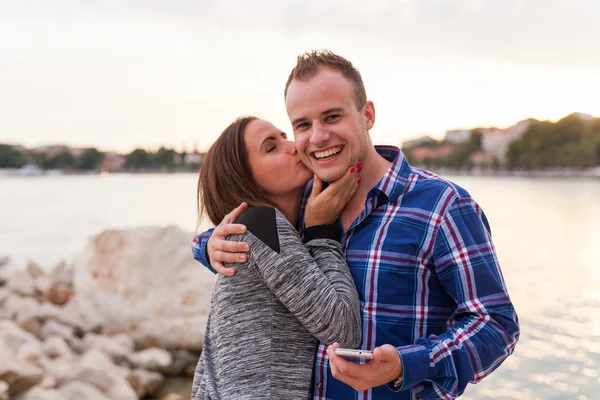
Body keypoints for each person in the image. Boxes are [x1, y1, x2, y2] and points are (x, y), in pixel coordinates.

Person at [195, 51, 520, 399]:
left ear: (367, 115)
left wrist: (407, 364)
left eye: (332, 117)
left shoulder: (442, 206)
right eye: (302, 125)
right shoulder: (296, 204)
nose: (317, 137)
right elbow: (253, 246)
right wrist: (209, 243)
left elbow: (496, 324)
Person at [191, 115, 364, 399]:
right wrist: (321, 231)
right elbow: (343, 331)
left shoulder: (255, 229)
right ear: (244, 179)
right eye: (271, 147)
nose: (294, 146)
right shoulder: (262, 225)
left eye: (284, 136)